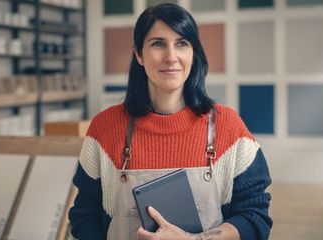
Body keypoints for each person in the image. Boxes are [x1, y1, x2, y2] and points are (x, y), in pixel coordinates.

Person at [68, 3, 272, 240]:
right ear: (139, 54)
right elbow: (84, 215)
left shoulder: (229, 128)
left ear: (193, 53)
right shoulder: (104, 129)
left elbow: (254, 218)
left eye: (182, 44)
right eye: (158, 44)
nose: (171, 57)